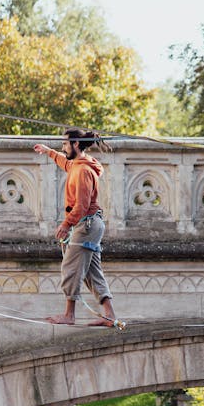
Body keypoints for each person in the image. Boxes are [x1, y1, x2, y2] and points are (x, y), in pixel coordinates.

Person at [33, 128, 124, 328]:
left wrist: (66, 224)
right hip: (92, 224)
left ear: (75, 145)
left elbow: (81, 206)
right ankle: (110, 315)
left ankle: (69, 314)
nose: (63, 147)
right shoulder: (77, 164)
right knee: (92, 271)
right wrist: (49, 152)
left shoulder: (83, 171)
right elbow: (66, 163)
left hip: (87, 224)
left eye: (65, 144)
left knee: (71, 266)